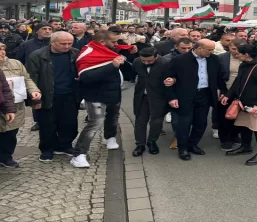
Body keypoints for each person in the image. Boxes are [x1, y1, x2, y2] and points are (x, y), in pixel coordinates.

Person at [164, 39, 226, 161]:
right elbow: (168, 80)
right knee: (184, 123)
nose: (212, 52)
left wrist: (222, 91)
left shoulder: (214, 59)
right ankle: (183, 148)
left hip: (205, 95)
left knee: (201, 123)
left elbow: (219, 77)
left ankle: (192, 144)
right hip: (185, 96)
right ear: (198, 48)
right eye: (209, 49)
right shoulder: (179, 60)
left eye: (212, 49)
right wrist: (171, 97)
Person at [71, 30, 125, 168]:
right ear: (102, 42)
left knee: (113, 116)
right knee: (95, 123)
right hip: (95, 94)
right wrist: (111, 65)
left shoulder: (109, 51)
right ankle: (79, 154)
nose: (116, 44)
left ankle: (110, 137)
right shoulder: (89, 53)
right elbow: (86, 77)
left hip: (113, 93)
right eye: (113, 42)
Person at [25, 31, 79, 162]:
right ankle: (47, 149)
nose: (67, 46)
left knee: (69, 123)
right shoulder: (38, 56)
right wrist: (34, 99)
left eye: (69, 43)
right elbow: (30, 78)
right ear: (52, 42)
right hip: (47, 95)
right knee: (47, 124)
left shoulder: (75, 53)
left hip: (70, 95)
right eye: (63, 43)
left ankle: (65, 145)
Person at [221, 44, 257, 165]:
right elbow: (238, 82)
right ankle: (246, 146)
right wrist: (228, 95)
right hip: (244, 103)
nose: (236, 54)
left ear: (246, 55)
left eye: (238, 52)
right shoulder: (244, 65)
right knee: (244, 126)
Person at [0, 44, 39, 168]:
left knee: (11, 133)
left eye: (2, 49)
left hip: (15, 105)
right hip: (2, 105)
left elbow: (26, 78)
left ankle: (6, 157)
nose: (1, 52)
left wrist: (33, 90)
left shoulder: (16, 64)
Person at [131, 47, 170, 157]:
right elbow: (133, 74)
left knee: (156, 122)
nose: (146, 62)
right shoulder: (137, 62)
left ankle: (152, 141)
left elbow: (173, 77)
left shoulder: (165, 63)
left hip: (159, 97)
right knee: (140, 121)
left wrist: (173, 80)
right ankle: (140, 145)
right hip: (141, 96)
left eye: (149, 60)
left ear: (156, 56)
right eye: (143, 60)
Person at [214, 39, 245, 150]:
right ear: (229, 48)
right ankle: (225, 139)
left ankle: (235, 135)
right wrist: (221, 90)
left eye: (239, 49)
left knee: (239, 116)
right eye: (233, 49)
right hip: (226, 91)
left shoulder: (247, 58)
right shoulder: (221, 58)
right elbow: (217, 76)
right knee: (225, 117)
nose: (236, 51)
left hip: (243, 93)